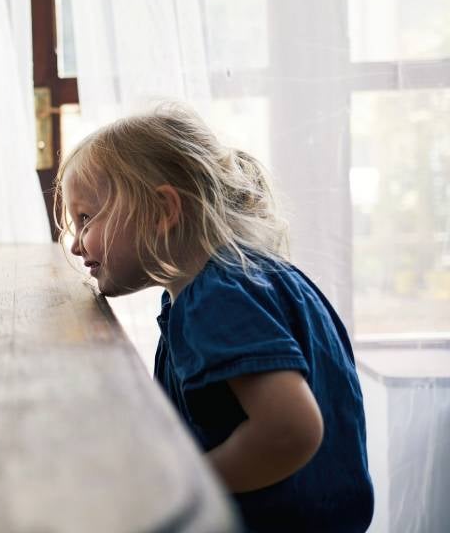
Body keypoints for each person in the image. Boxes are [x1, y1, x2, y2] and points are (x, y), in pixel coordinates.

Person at [56, 103, 373, 532]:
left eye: (86, 218)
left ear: (161, 210)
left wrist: (179, 483)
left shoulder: (215, 299)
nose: (77, 245)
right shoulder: (251, 276)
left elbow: (289, 430)